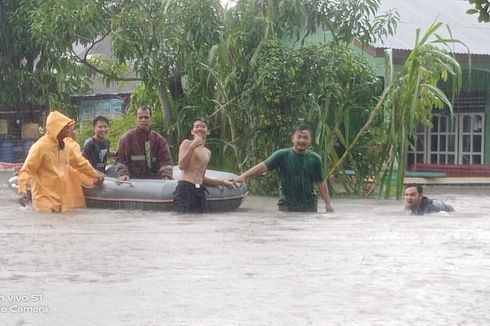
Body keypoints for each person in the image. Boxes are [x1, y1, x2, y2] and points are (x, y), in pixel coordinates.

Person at [232, 124, 334, 213]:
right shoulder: (282, 155)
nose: (301, 140)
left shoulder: (315, 159)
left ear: (310, 140)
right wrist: (243, 176)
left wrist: (328, 204)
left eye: (305, 138)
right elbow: (263, 166)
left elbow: (320, 182)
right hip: (287, 205)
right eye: (299, 137)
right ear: (293, 138)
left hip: (309, 206)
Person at [17, 111, 104, 212]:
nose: (68, 131)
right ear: (57, 129)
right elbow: (27, 170)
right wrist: (22, 191)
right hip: (44, 202)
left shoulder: (65, 147)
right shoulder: (40, 147)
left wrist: (95, 175)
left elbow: (80, 163)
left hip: (62, 201)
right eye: (65, 128)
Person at [173, 118, 235, 213]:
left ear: (208, 131)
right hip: (185, 187)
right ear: (192, 131)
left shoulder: (207, 152)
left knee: (201, 222)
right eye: (197, 126)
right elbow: (181, 166)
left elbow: (202, 178)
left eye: (203, 127)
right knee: (185, 222)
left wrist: (224, 183)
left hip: (199, 189)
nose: (200, 129)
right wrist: (192, 146)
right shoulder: (186, 143)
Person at [114, 105, 173, 181]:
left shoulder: (159, 139)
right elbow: (119, 159)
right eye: (140, 117)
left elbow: (166, 161)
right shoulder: (127, 138)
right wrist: (123, 173)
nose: (143, 120)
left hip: (156, 182)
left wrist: (166, 175)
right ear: (136, 119)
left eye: (146, 117)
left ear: (151, 119)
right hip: (132, 182)